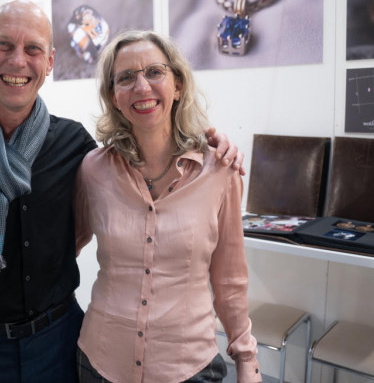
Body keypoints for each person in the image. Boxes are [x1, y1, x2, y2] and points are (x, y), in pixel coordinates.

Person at [0, 0, 243, 383]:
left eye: (32, 49)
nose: (18, 61)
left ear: (49, 62)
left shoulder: (74, 145)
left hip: (58, 344)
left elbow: (139, 155)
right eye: (3, 45)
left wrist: (205, 143)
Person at [73, 30, 261, 382]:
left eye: (154, 72)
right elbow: (63, 249)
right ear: (114, 97)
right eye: (126, 78)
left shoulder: (219, 171)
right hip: (101, 362)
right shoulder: (93, 170)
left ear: (177, 85)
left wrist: (246, 360)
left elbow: (230, 280)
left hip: (187, 367)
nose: (141, 86)